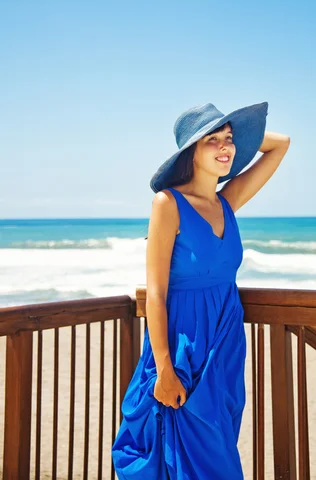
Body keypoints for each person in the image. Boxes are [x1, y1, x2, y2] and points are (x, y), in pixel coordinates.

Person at [112, 101, 290, 479]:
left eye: (230, 139)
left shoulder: (228, 201)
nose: (226, 147)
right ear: (190, 151)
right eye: (213, 140)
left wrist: (237, 137)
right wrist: (163, 370)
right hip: (181, 350)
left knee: (219, 446)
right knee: (184, 456)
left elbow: (281, 144)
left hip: (224, 348)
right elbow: (157, 295)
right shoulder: (168, 204)